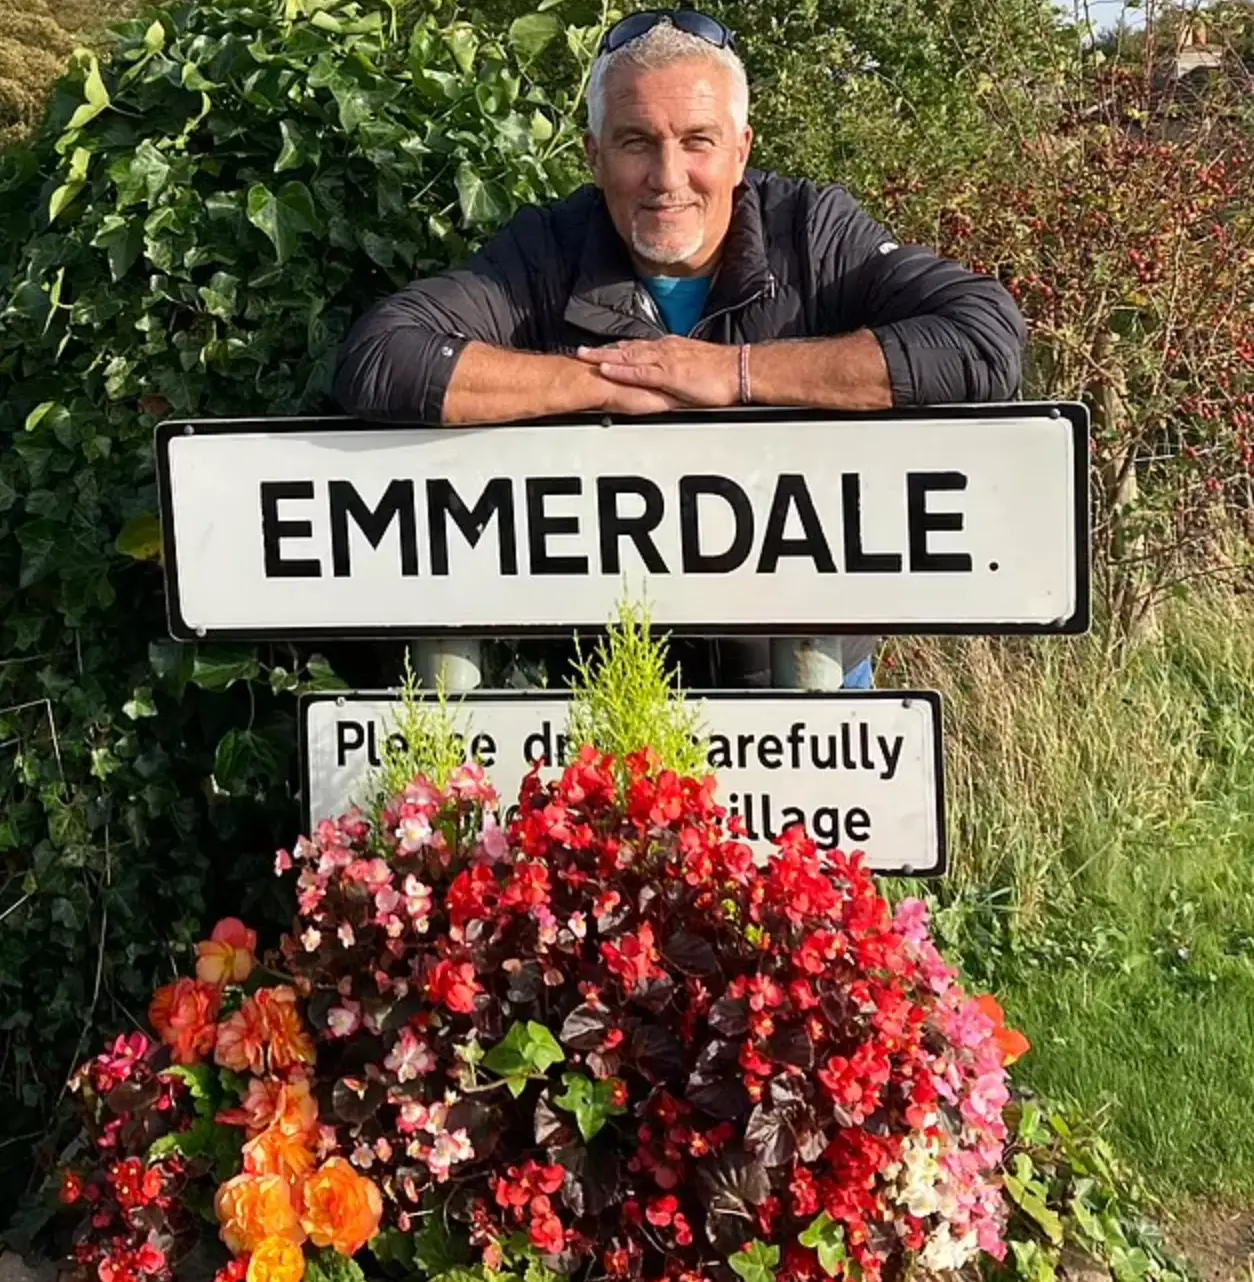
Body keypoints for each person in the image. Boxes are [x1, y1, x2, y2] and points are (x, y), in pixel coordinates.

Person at [332, 7, 1028, 690]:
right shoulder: (546, 249)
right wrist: (602, 385)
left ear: (741, 151)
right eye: (637, 142)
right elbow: (381, 354)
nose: (667, 176)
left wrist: (737, 374)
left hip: (817, 679)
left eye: (698, 140)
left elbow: (983, 338)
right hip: (620, 694)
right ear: (594, 157)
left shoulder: (814, 232)